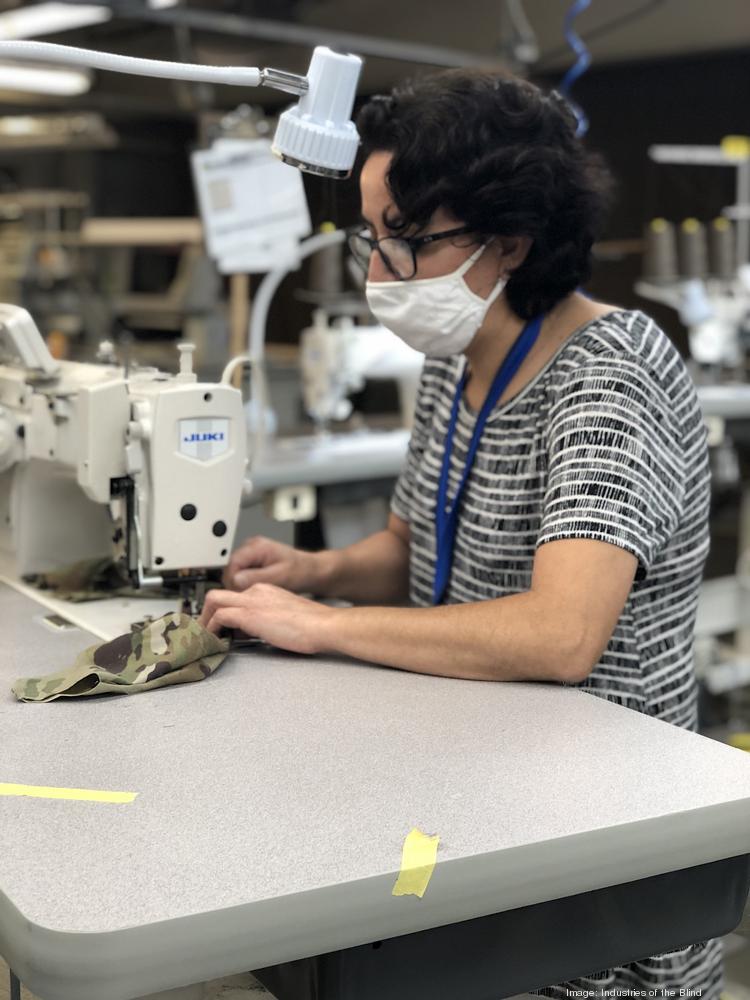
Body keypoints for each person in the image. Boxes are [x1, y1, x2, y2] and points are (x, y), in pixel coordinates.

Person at [199, 70, 716, 999]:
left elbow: (561, 635)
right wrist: (313, 568)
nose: (377, 269)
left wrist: (321, 624)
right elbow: (412, 549)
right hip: (486, 801)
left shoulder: (612, 372)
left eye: (407, 240)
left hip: (603, 879)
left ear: (509, 244)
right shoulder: (458, 360)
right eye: (371, 233)